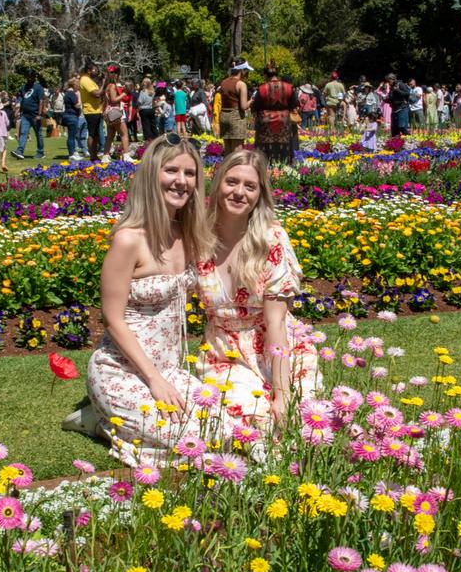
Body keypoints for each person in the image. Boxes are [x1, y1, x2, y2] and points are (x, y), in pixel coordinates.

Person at [81, 134, 218, 465]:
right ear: (151, 174)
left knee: (218, 427)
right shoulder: (129, 240)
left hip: (169, 369)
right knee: (182, 440)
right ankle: (97, 420)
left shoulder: (189, 234)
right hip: (122, 370)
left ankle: (102, 418)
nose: (181, 181)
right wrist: (154, 380)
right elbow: (112, 318)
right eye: (171, 170)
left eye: (190, 173)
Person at [196, 148, 319, 426]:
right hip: (223, 351)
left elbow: (276, 323)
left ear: (259, 195)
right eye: (232, 182)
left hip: (275, 345)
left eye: (250, 186)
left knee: (302, 418)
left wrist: (282, 393)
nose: (240, 192)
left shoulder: (271, 240)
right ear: (217, 186)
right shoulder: (198, 238)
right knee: (255, 419)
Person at [252, 63, 298, 165]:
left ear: (265, 75)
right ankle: (284, 167)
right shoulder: (288, 87)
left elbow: (255, 106)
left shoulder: (262, 88)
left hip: (266, 122)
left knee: (264, 148)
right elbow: (294, 104)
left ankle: (265, 167)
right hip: (284, 121)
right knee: (284, 146)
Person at [218, 59, 251, 156]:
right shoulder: (241, 84)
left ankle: (227, 169)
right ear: (242, 71)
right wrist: (252, 101)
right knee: (237, 150)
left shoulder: (223, 82)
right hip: (236, 116)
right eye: (246, 71)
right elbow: (244, 106)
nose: (247, 73)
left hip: (224, 115)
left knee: (227, 149)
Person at [12, 70, 45, 160]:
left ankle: (40, 152)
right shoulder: (24, 87)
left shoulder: (38, 88)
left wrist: (39, 114)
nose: (29, 79)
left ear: (34, 77)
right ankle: (20, 151)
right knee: (23, 132)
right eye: (28, 77)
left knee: (38, 134)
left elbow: (41, 101)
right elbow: (22, 99)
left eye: (31, 77)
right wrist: (19, 111)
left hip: (35, 115)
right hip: (25, 115)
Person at [102, 65, 133, 161]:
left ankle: (105, 156)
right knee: (124, 134)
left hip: (108, 112)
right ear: (116, 75)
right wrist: (124, 93)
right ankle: (126, 155)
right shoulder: (112, 86)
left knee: (110, 135)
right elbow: (114, 100)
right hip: (115, 112)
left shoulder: (106, 86)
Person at [78, 61, 103, 162]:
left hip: (96, 110)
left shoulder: (90, 80)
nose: (96, 71)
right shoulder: (85, 79)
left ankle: (95, 155)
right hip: (91, 111)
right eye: (94, 69)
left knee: (96, 134)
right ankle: (92, 156)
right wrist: (104, 84)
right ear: (88, 70)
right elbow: (96, 93)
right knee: (92, 134)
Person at [136, 77, 157, 145]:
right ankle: (156, 137)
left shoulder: (143, 91)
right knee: (153, 125)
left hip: (144, 109)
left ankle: (148, 139)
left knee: (146, 125)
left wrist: (136, 106)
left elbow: (140, 102)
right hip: (151, 109)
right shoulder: (152, 91)